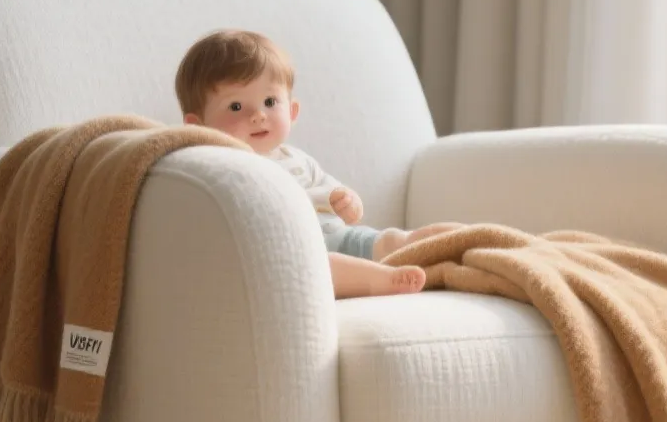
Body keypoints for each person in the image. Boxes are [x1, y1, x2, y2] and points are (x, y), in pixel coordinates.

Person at [175, 29, 462, 298]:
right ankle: (382, 280)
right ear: (197, 126)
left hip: (343, 237)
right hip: (300, 254)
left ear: (292, 110)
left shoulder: (297, 159)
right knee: (323, 267)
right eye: (236, 106)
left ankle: (460, 240)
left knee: (392, 241)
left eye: (270, 101)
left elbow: (333, 193)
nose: (258, 115)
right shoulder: (222, 168)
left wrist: (347, 202)